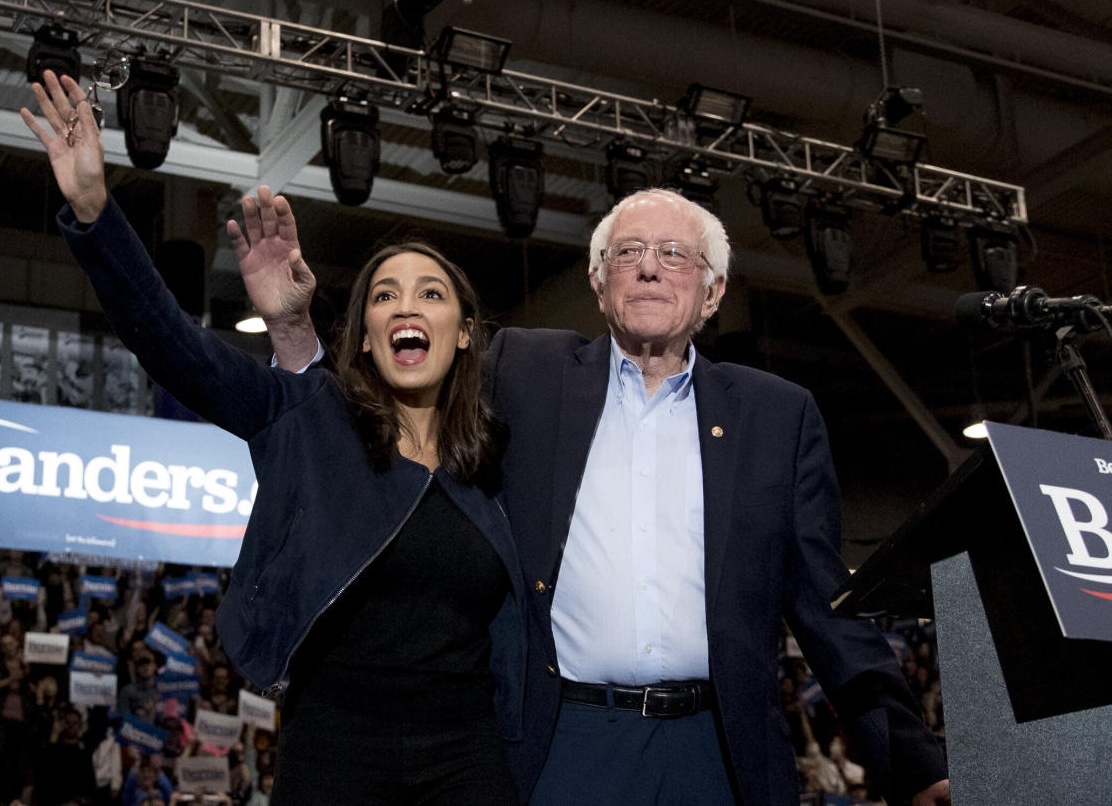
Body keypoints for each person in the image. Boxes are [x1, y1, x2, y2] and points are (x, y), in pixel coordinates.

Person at [261, 186, 951, 804]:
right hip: (563, 744)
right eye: (630, 252)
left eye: (676, 254)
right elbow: (382, 405)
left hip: (720, 751)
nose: (650, 267)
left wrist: (916, 766)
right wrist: (294, 332)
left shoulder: (778, 415)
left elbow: (828, 609)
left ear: (713, 292)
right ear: (598, 282)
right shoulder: (524, 372)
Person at [21, 70, 525, 805]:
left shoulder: (499, 459)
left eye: (430, 293)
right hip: (334, 750)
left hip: (470, 754)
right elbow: (175, 351)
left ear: (466, 332)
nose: (404, 306)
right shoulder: (313, 423)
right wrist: (98, 212)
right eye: (383, 295)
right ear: (363, 338)